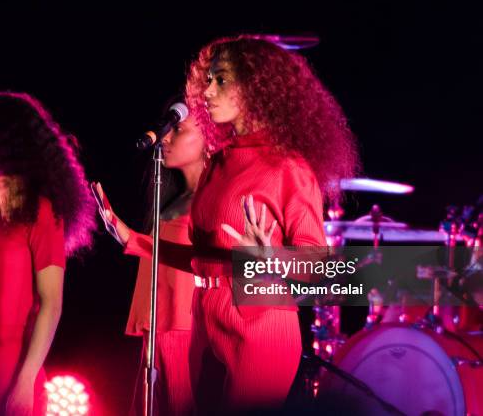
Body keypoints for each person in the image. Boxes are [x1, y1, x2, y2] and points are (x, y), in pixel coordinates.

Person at [98, 36, 359, 414]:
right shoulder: (218, 163)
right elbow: (205, 259)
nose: (207, 91)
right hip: (205, 320)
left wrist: (270, 258)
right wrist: (133, 240)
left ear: (257, 87)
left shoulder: (287, 167)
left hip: (260, 323)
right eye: (207, 80)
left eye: (221, 80)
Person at [0, 92, 96, 416]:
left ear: (11, 143)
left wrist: (26, 380)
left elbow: (52, 304)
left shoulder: (41, 212)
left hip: (10, 381)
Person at [92, 99, 209, 415]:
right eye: (168, 129)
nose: (166, 138)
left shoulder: (214, 199)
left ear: (209, 138)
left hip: (185, 325)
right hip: (157, 323)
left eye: (179, 130)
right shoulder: (173, 197)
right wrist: (125, 232)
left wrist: (134, 239)